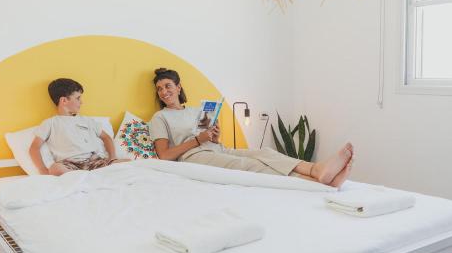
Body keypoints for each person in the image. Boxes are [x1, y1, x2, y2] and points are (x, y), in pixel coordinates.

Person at [149, 68, 354, 187]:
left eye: (167, 86)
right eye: (159, 89)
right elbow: (165, 155)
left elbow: (209, 140)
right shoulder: (160, 117)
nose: (164, 92)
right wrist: (197, 141)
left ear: (178, 87)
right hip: (193, 156)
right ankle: (315, 184)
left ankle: (315, 169)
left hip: (215, 148)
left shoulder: (197, 110)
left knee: (264, 152)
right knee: (245, 165)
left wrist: (213, 137)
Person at [29, 78, 129, 175]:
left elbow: (106, 137)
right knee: (55, 168)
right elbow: (34, 148)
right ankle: (82, 176)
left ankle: (89, 175)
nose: (81, 102)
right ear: (64, 101)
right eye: (78, 98)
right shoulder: (50, 123)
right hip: (69, 164)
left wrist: (112, 157)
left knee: (128, 162)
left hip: (94, 161)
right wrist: (43, 170)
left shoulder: (87, 120)